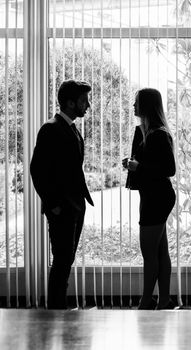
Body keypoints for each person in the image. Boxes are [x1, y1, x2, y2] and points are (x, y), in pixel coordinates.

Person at [30, 80, 94, 309]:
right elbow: (37, 170)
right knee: (62, 261)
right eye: (83, 101)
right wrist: (53, 204)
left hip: (76, 205)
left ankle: (59, 308)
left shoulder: (71, 127)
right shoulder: (51, 128)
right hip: (62, 207)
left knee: (66, 260)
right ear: (70, 102)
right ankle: (55, 310)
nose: (87, 105)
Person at [123, 88, 176, 310]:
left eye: (136, 102)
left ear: (146, 105)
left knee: (149, 254)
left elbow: (169, 169)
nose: (133, 106)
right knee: (160, 252)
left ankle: (146, 301)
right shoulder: (147, 131)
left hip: (157, 198)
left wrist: (138, 167)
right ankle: (164, 300)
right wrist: (134, 164)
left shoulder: (159, 133)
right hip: (153, 196)